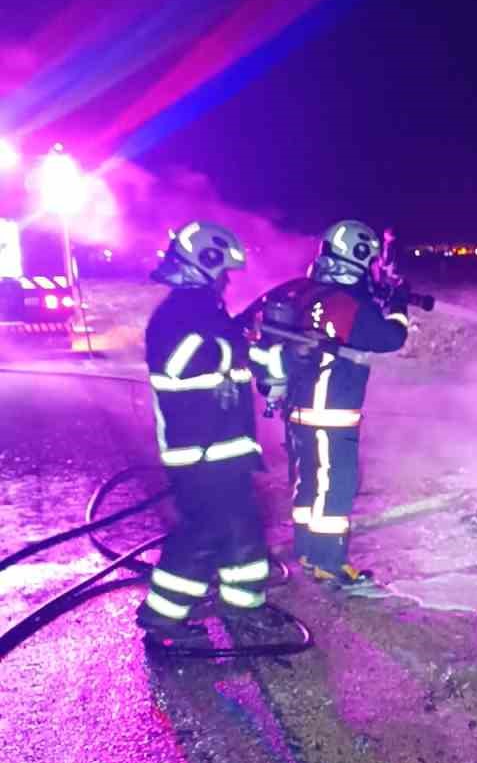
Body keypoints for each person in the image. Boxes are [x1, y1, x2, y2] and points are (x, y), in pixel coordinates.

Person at [135, 221, 272, 642]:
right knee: (204, 530)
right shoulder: (177, 313)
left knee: (243, 525)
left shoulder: (205, 311)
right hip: (197, 451)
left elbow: (227, 360)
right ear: (205, 262)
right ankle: (162, 619)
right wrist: (234, 342)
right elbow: (180, 363)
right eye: (223, 270)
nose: (227, 280)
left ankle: (244, 605)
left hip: (224, 448)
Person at [258, 220, 408, 596]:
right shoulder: (345, 302)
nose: (373, 267)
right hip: (329, 415)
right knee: (335, 488)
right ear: (358, 257)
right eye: (370, 259)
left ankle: (308, 552)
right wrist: (399, 305)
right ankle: (329, 564)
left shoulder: (308, 293)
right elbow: (390, 337)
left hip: (299, 411)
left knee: (310, 483)